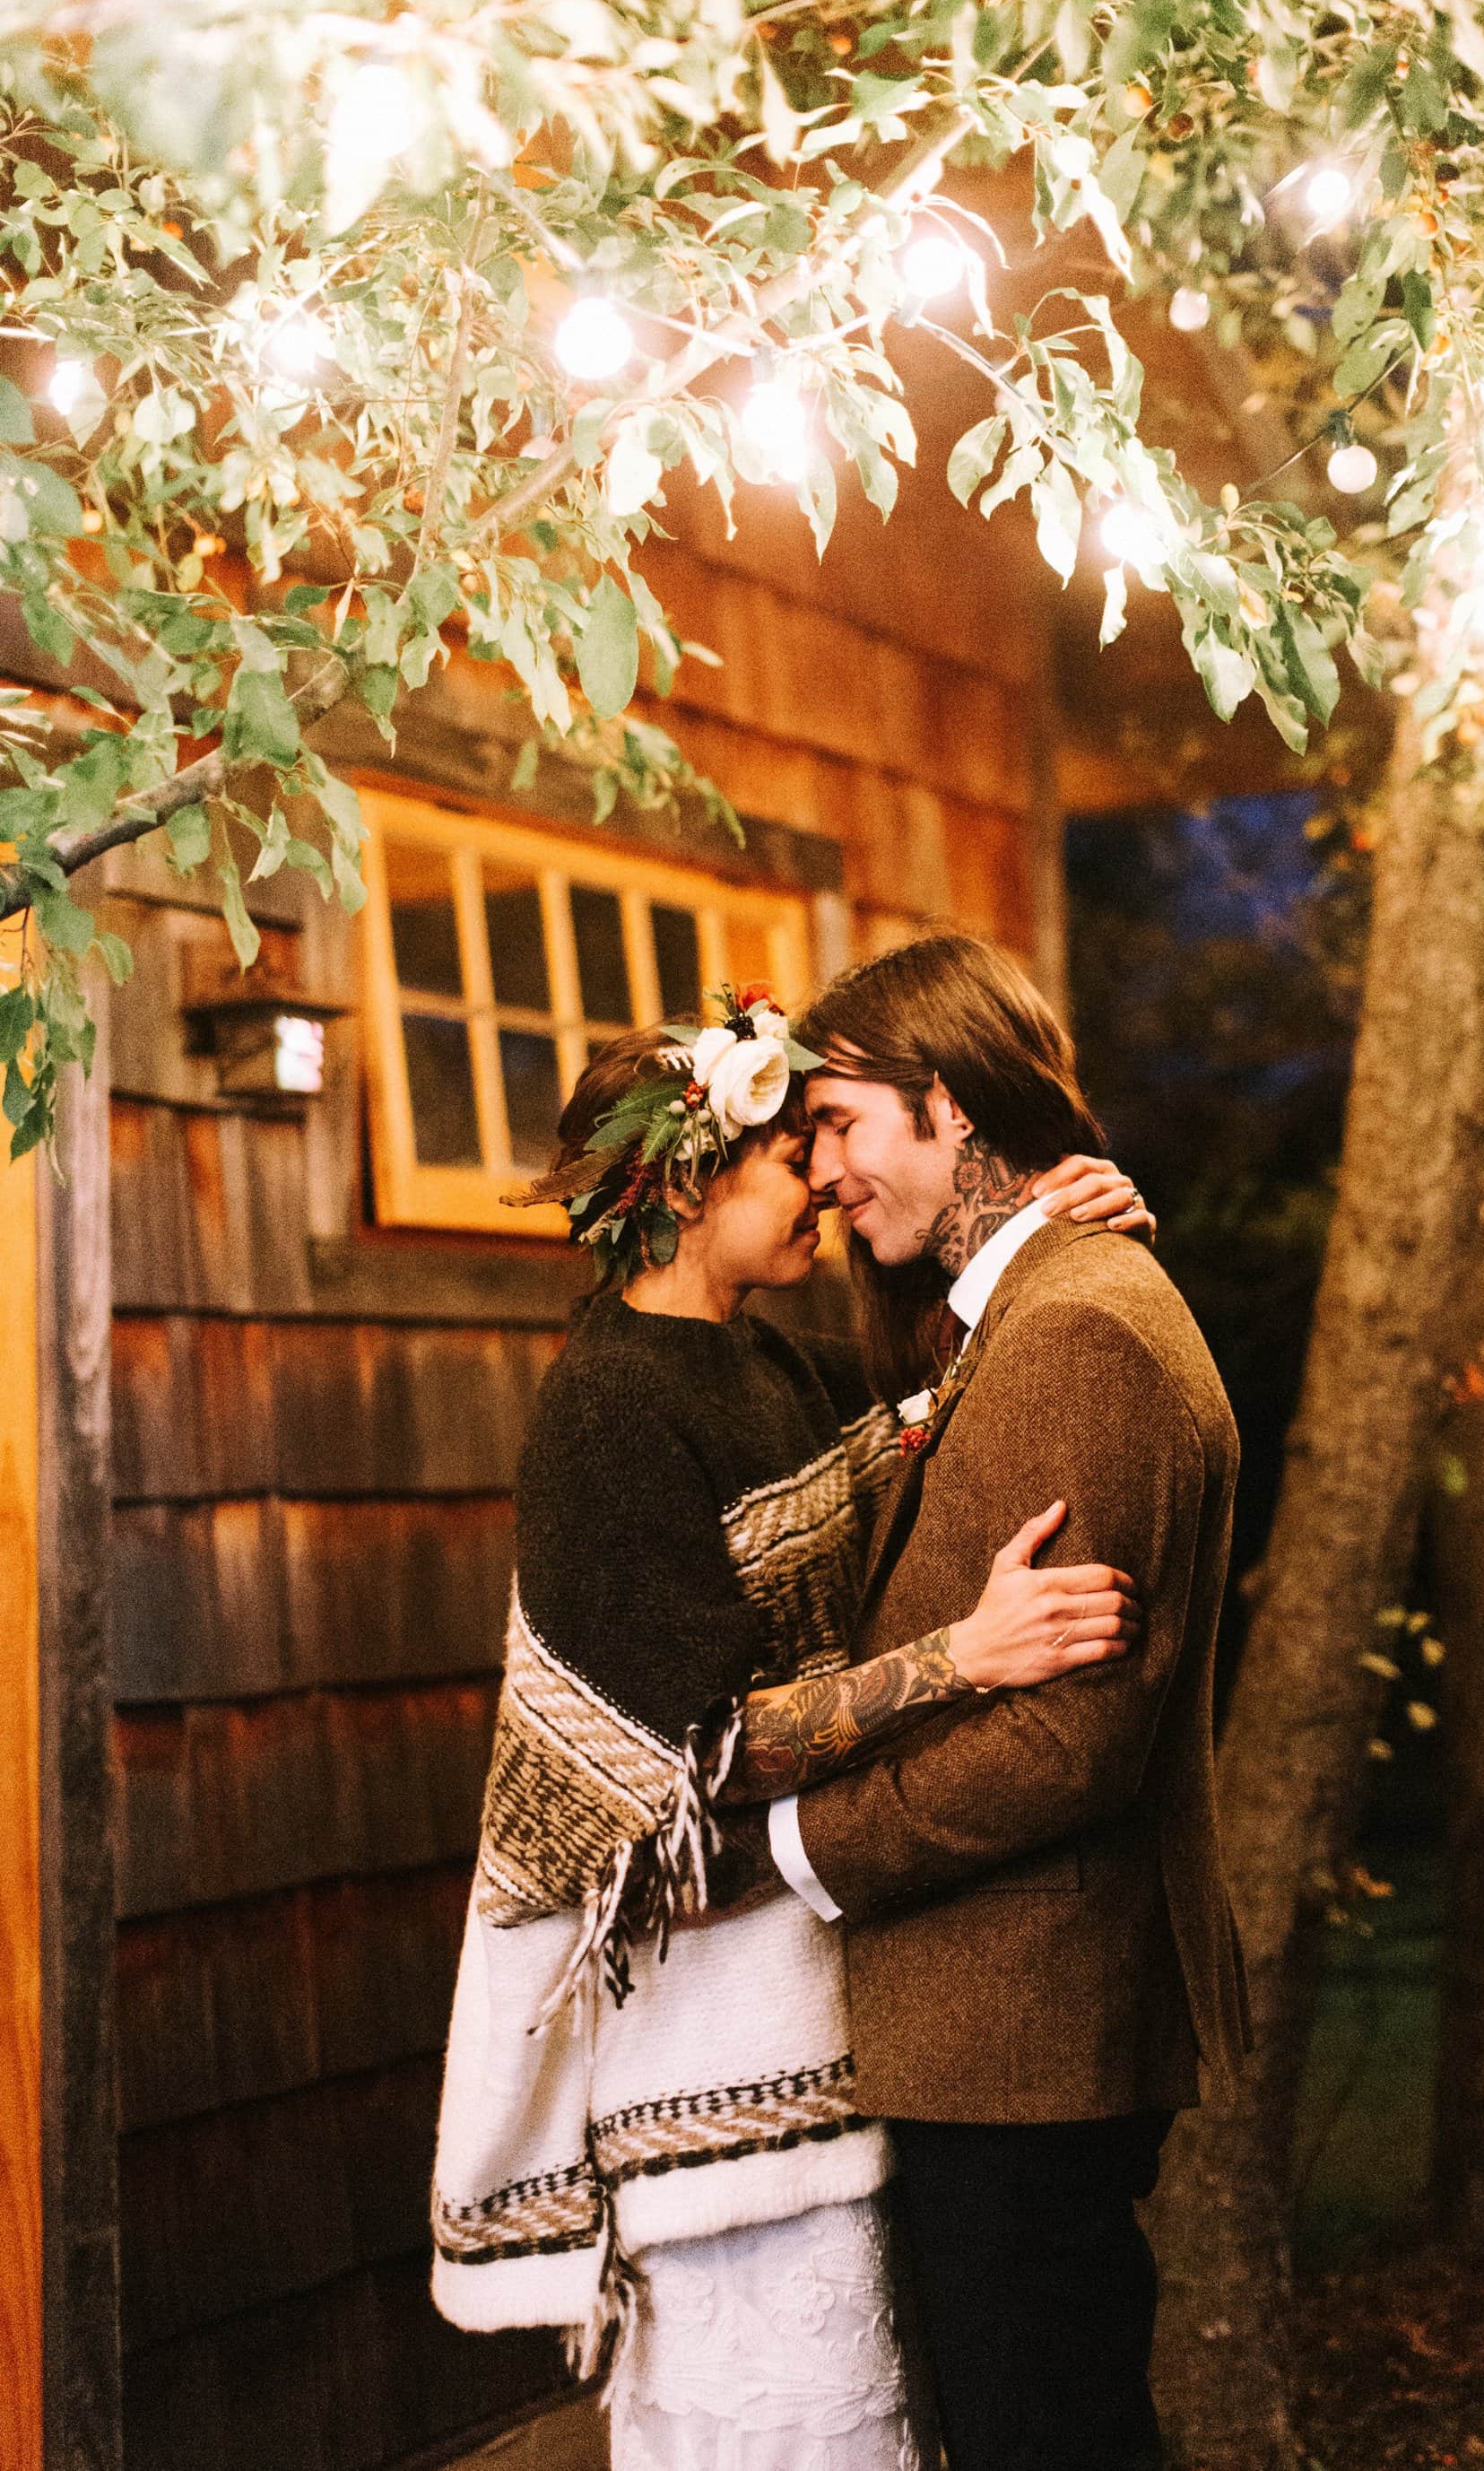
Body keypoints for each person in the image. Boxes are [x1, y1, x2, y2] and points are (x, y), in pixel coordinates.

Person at [429, 982, 1155, 2470]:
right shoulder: (610, 1409)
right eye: (793, 1149)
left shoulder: (774, 1363)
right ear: (691, 1184)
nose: (823, 1177)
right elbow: (696, 1760)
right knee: (777, 2408)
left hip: (814, 1987)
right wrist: (965, 1659)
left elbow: (932, 1430)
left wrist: (1043, 1230)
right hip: (702, 2014)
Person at [744, 934, 1251, 2471]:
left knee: (1053, 2436)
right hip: (1007, 2032)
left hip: (1030, 2031)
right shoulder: (1020, 1309)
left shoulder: (1081, 1326)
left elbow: (1067, 1741)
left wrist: (812, 1854)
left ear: (950, 1108)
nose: (823, 1171)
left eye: (838, 1121)